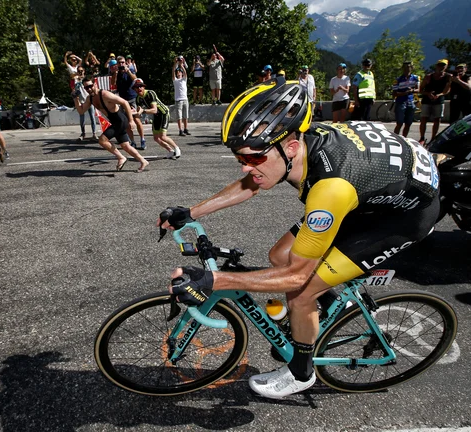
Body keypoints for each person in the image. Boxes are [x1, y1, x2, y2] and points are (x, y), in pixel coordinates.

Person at [160, 77, 440, 399]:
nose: (244, 168)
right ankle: (328, 311)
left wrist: (213, 280)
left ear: (290, 147)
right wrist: (191, 212)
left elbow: (297, 275)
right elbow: (250, 183)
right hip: (375, 189)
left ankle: (301, 372)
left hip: (403, 217)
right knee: (279, 255)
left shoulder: (330, 189)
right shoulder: (296, 150)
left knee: (302, 289)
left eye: (253, 158)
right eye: (240, 159)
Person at [73, 77, 149, 172]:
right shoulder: (90, 98)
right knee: (125, 146)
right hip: (115, 121)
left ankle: (121, 157)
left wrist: (131, 120)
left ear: (95, 84)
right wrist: (75, 98)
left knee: (102, 140)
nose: (88, 89)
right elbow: (81, 111)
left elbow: (125, 102)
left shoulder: (105, 94)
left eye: (90, 86)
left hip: (120, 120)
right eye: (86, 88)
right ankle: (143, 161)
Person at [133, 78, 181, 159]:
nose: (139, 89)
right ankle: (170, 151)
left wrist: (142, 111)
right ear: (134, 89)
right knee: (156, 138)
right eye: (136, 87)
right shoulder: (138, 99)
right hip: (156, 116)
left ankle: (177, 148)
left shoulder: (150, 93)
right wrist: (132, 113)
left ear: (143, 87)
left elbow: (154, 110)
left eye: (140, 86)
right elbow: (139, 112)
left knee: (162, 136)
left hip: (163, 113)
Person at [418, 59, 451, 145]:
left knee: (437, 119)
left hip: (439, 100)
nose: (441, 67)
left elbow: (447, 90)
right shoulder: (428, 76)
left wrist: (440, 95)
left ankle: (433, 138)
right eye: (439, 65)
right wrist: (428, 93)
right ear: (436, 66)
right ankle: (422, 137)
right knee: (424, 119)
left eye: (443, 65)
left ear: (446, 66)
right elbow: (420, 90)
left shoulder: (448, 77)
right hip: (427, 100)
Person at [115, 56, 144, 149]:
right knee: (126, 122)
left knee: (136, 120)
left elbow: (136, 79)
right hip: (123, 101)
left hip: (132, 99)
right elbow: (112, 83)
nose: (121, 65)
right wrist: (115, 73)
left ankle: (142, 139)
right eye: (119, 63)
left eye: (123, 62)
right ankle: (133, 141)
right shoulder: (117, 73)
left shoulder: (129, 71)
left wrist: (128, 71)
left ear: (125, 63)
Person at [392, 61, 420, 137]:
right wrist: (405, 93)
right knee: (399, 123)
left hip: (411, 102)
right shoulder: (398, 79)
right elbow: (394, 93)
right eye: (405, 67)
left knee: (408, 123)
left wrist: (412, 91)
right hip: (401, 102)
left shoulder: (415, 78)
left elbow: (418, 90)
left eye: (408, 67)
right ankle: (395, 138)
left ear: (411, 68)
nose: (407, 69)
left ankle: (404, 138)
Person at [73, 66, 97, 141]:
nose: (80, 72)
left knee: (92, 117)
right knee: (82, 118)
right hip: (82, 101)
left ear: (84, 71)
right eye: (79, 71)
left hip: (89, 100)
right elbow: (75, 90)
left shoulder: (87, 79)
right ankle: (83, 133)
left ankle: (94, 133)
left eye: (81, 71)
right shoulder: (76, 80)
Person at [173, 58, 190, 136]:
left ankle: (186, 129)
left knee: (185, 115)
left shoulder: (184, 79)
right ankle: (180, 130)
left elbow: (185, 72)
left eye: (180, 72)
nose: (178, 73)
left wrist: (181, 64)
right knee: (179, 116)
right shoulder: (175, 80)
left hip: (185, 99)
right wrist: (176, 63)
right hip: (178, 100)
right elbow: (173, 71)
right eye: (178, 72)